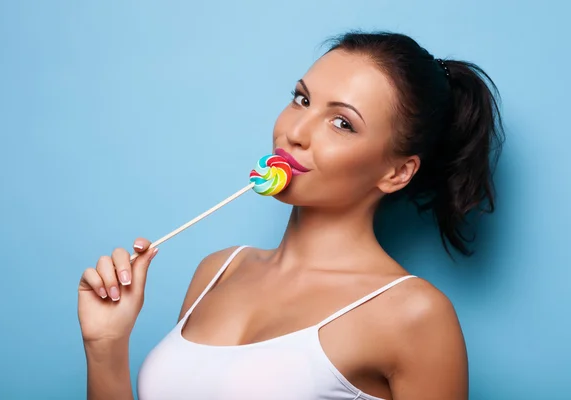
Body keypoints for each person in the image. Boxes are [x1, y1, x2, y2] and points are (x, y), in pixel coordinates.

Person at [78, 31, 504, 400]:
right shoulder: (217, 272)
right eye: (302, 100)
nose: (295, 132)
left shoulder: (415, 314)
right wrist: (106, 346)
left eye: (342, 123)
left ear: (397, 172)